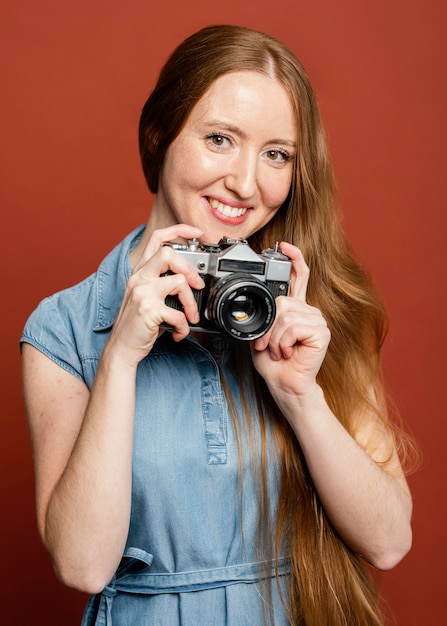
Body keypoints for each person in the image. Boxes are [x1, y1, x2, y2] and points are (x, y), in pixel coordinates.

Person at [21, 24, 414, 626]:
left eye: (276, 154)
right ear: (159, 135)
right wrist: (121, 357)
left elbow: (388, 542)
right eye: (220, 139)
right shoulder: (67, 326)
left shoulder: (309, 309)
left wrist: (301, 396)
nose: (246, 183)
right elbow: (83, 566)